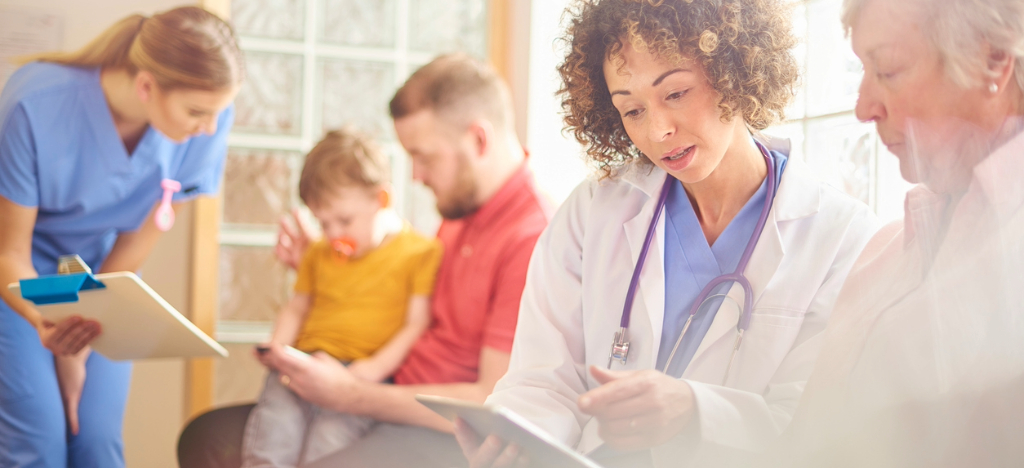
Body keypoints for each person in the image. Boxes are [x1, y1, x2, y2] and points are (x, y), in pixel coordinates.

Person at [456, 1, 881, 467]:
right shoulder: (593, 210)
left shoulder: (840, 235)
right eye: (632, 109)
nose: (658, 131)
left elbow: (818, 424)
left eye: (676, 93)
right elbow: (542, 381)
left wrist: (696, 412)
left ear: (735, 70)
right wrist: (515, 436)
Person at [177, 54, 552, 468]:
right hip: (384, 387)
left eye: (424, 157)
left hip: (433, 426)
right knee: (206, 439)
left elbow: (492, 400)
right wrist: (330, 274)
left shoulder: (533, 238)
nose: (416, 177)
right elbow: (408, 295)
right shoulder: (462, 211)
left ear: (479, 140)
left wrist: (351, 394)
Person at [775, 0, 1024, 465]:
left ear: (994, 62)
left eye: (887, 70)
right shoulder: (884, 256)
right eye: (863, 72)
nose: (864, 108)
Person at [0, 6, 243, 468]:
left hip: (102, 274)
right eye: (196, 112)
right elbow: (8, 251)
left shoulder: (207, 124)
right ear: (147, 86)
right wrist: (51, 324)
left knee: (96, 442)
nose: (208, 129)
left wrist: (83, 329)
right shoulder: (36, 103)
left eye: (218, 113)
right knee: (41, 444)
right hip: (17, 274)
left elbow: (134, 245)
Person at [241, 128, 443, 467]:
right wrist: (279, 347)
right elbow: (298, 306)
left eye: (344, 221)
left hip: (359, 377)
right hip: (303, 363)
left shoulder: (420, 253)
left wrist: (371, 370)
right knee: (273, 436)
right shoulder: (319, 253)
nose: (334, 235)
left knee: (329, 445)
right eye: (323, 223)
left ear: (381, 200)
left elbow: (415, 324)